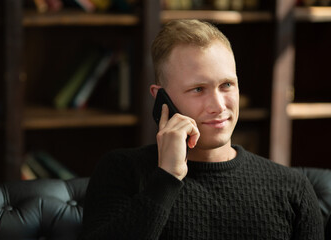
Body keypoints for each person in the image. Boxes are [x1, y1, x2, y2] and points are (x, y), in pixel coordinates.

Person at [79, 19, 324, 240]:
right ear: (160, 98)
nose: (218, 106)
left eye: (227, 85)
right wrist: (167, 178)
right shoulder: (121, 170)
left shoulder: (294, 189)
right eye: (198, 89)